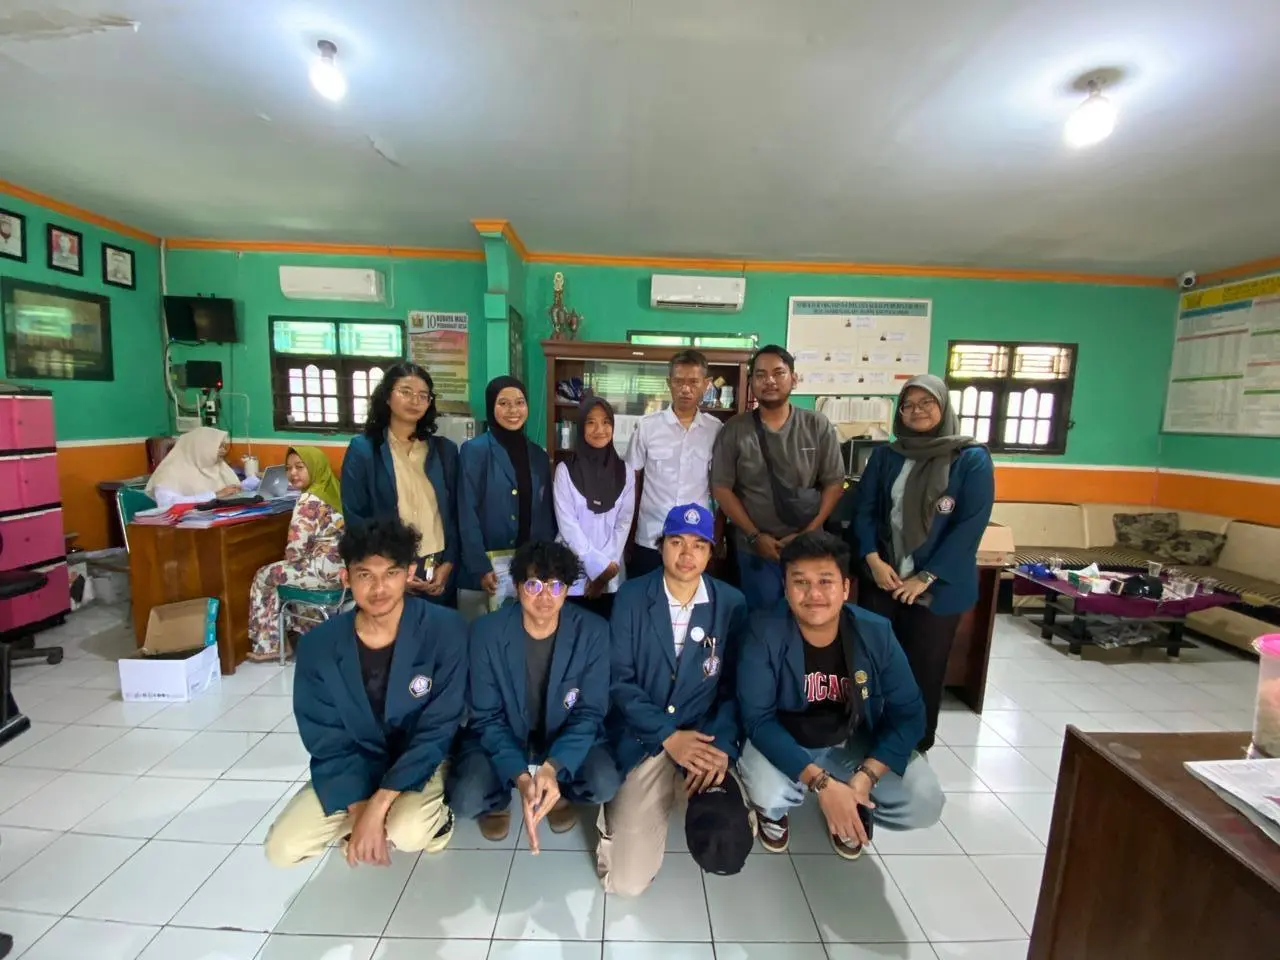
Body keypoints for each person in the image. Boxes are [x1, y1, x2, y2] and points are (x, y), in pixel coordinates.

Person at [264, 517, 466, 867]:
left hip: (420, 760)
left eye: (391, 573)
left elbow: (439, 727)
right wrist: (360, 811)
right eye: (365, 575)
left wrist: (379, 805)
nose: (379, 588)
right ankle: (365, 825)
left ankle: (433, 823)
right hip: (355, 764)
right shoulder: (318, 647)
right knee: (281, 848)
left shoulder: (445, 630)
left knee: (409, 831)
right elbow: (326, 737)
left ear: (410, 573)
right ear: (346, 578)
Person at [737, 532, 944, 860]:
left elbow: (909, 713)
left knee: (925, 800)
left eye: (826, 581)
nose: (814, 594)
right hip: (787, 739)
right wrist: (821, 783)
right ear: (785, 588)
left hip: (850, 740)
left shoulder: (875, 632)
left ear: (846, 588)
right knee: (768, 790)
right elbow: (758, 721)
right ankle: (774, 813)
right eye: (800, 582)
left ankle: (849, 803)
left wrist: (867, 776)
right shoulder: (763, 632)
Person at [597, 503, 752, 896]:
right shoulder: (632, 597)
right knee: (627, 883)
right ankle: (630, 808)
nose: (687, 554)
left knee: (726, 831)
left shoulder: (731, 603)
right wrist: (667, 735)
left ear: (711, 551)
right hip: (644, 736)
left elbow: (735, 687)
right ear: (661, 545)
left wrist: (721, 747)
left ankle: (686, 796)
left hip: (704, 733)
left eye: (699, 545)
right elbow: (619, 680)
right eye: (677, 542)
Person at [851, 374, 994, 751]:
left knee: (924, 669)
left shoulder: (971, 459)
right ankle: (873, 738)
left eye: (926, 403)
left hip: (936, 588)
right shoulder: (887, 456)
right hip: (884, 579)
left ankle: (914, 744)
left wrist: (926, 577)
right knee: (875, 663)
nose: (917, 411)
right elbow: (865, 511)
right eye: (909, 405)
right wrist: (873, 560)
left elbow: (969, 526)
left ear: (943, 406)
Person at [447, 540, 620, 848]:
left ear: (566, 590)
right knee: (465, 799)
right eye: (534, 584)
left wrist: (553, 767)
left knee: (604, 782)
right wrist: (521, 776)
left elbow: (590, 712)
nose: (545, 596)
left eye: (556, 586)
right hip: (505, 734)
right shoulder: (485, 632)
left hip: (561, 735)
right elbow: (486, 717)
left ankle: (557, 787)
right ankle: (499, 799)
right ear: (517, 586)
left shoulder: (593, 631)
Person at [711, 345, 845, 610]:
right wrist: (754, 536)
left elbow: (834, 483)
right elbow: (721, 488)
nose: (769, 381)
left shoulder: (816, 425)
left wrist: (808, 532)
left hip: (808, 546)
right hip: (755, 550)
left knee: (808, 613)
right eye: (760, 375)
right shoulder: (735, 429)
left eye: (778, 373)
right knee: (763, 618)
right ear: (751, 383)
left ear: (794, 378)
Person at [341, 363, 460, 606]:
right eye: (405, 392)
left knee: (440, 628)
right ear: (387, 396)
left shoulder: (444, 451)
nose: (415, 400)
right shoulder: (364, 451)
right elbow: (356, 518)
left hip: (436, 566)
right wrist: (390, 572)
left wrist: (449, 563)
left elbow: (456, 512)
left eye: (423, 395)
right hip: (387, 568)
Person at [457, 376, 556, 620]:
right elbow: (466, 511)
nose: (513, 410)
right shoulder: (475, 451)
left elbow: (544, 513)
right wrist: (479, 566)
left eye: (520, 402)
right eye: (503, 403)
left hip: (528, 568)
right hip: (488, 570)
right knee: (484, 632)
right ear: (491, 406)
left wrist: (542, 563)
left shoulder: (538, 455)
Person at [625, 349, 722, 579]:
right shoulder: (647, 427)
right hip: (651, 535)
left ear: (706, 384)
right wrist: (627, 535)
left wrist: (717, 534)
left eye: (693, 382)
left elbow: (721, 488)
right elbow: (631, 482)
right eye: (679, 381)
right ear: (669, 383)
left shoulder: (716, 430)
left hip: (695, 538)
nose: (685, 389)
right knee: (645, 595)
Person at [246, 447, 345, 661]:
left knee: (264, 575)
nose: (293, 473)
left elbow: (295, 551)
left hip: (321, 573)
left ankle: (271, 645)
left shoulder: (308, 500)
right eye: (288, 468)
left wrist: (289, 560)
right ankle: (312, 637)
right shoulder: (333, 490)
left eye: (300, 467)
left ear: (314, 467)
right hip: (342, 571)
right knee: (291, 572)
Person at [553, 395, 636, 620]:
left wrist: (606, 572)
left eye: (606, 422)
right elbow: (568, 526)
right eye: (591, 422)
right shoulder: (565, 470)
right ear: (581, 427)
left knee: (605, 632)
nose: (600, 429)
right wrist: (597, 568)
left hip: (611, 574)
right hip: (573, 573)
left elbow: (624, 522)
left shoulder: (625, 472)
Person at [144, 426, 240, 508]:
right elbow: (167, 503)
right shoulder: (169, 471)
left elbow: (235, 489)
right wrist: (214, 495)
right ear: (201, 447)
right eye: (219, 447)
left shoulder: (218, 466)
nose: (224, 451)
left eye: (223, 446)